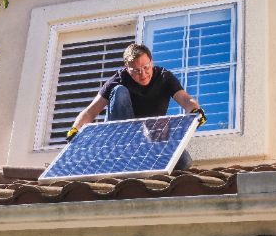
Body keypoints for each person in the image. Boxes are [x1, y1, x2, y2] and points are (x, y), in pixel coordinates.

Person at [65, 43, 206, 170]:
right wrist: (75, 129)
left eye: (146, 67)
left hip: (151, 136)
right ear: (127, 69)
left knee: (184, 161)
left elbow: (185, 99)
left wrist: (195, 111)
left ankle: (146, 164)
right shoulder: (117, 80)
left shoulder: (164, 77)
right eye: (136, 71)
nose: (143, 74)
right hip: (123, 137)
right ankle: (121, 149)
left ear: (152, 62)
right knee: (119, 91)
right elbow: (90, 112)